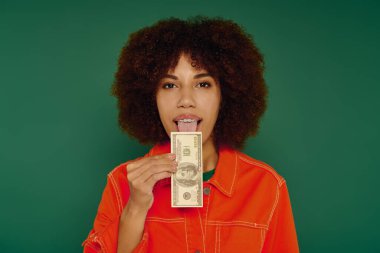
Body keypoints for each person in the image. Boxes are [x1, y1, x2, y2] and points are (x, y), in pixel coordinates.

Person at [82, 16, 299, 253]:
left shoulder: (267, 187)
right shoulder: (121, 182)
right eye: (169, 85)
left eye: (203, 84)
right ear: (150, 97)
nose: (186, 100)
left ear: (224, 95)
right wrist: (136, 207)